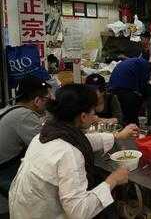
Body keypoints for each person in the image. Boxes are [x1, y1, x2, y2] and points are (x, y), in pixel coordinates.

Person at [9, 84, 139, 219]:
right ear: (83, 116)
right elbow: (79, 212)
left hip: (23, 209)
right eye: (93, 111)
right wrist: (113, 180)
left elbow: (84, 140)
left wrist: (117, 136)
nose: (94, 115)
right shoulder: (68, 153)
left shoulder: (46, 134)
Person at [0, 76, 52, 215]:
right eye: (47, 99)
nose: (48, 103)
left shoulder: (9, 109)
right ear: (37, 100)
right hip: (4, 171)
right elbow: (46, 143)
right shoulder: (24, 115)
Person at [109, 57, 150, 125]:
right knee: (132, 120)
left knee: (121, 115)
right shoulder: (145, 65)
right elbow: (143, 84)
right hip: (126, 91)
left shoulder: (133, 62)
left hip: (112, 89)